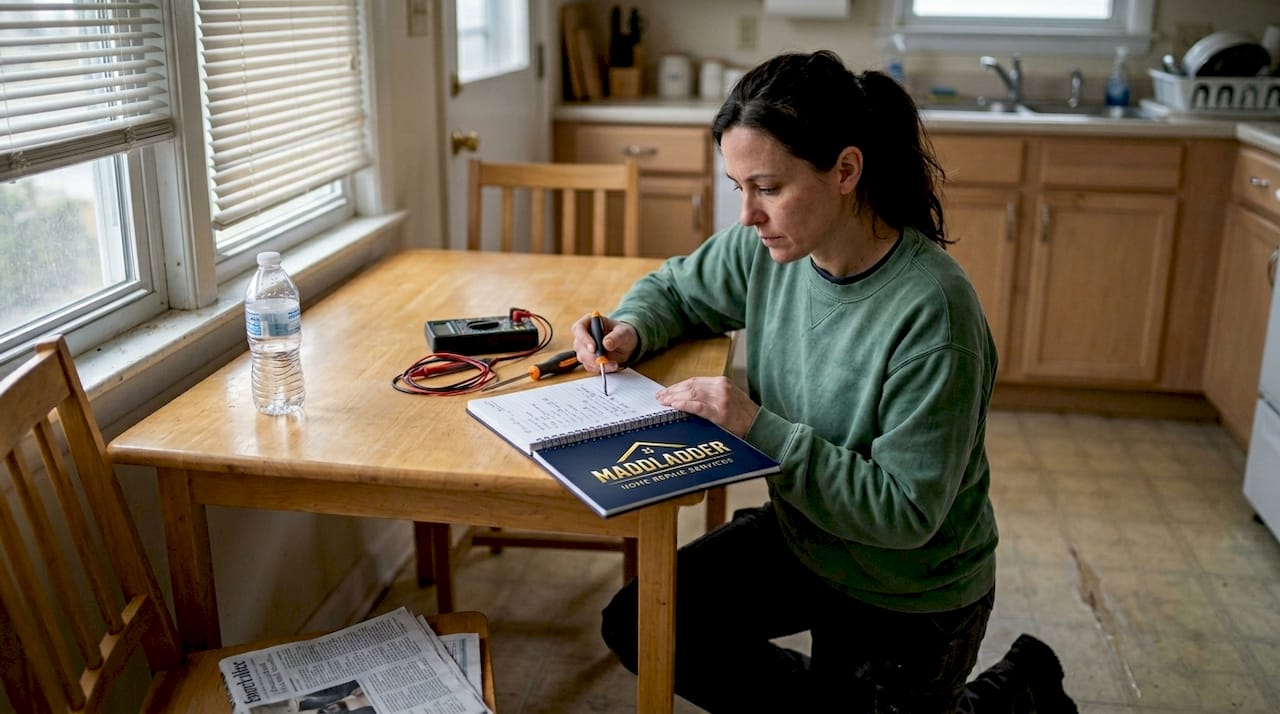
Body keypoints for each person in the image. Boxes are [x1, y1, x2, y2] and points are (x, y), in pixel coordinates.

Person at [570, 50, 1078, 713]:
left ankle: (1021, 687)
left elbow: (906, 513)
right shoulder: (771, 248)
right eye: (739, 188)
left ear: (845, 170)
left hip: (909, 588)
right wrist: (632, 327)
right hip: (806, 534)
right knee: (642, 622)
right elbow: (676, 287)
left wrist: (755, 424)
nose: (748, 214)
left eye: (768, 188)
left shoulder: (934, 313)